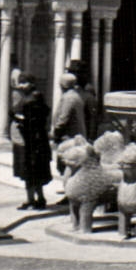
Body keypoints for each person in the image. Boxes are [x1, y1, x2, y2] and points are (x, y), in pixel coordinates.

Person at [9, 73, 52, 209]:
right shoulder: (34, 97)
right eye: (20, 82)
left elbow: (29, 120)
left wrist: (17, 119)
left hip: (30, 141)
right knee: (35, 171)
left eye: (24, 82)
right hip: (36, 140)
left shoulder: (31, 100)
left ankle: (32, 199)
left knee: (29, 171)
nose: (21, 86)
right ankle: (39, 198)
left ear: (31, 83)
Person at [51, 71, 89, 198]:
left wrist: (56, 133)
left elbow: (63, 118)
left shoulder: (69, 98)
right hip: (74, 135)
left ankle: (70, 194)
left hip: (69, 137)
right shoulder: (75, 95)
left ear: (62, 85)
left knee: (67, 166)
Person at [67, 59, 99, 138]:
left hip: (83, 134)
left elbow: (93, 116)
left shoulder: (88, 89)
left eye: (73, 72)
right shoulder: (72, 89)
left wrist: (91, 137)